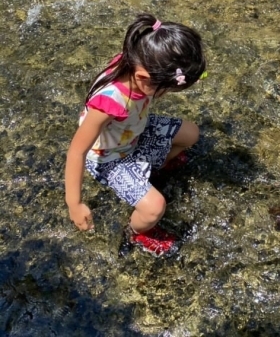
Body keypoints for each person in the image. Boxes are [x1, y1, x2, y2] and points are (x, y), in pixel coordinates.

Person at [65, 13, 206, 257]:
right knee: (154, 208)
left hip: (132, 132)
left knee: (191, 133)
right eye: (168, 90)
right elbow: (77, 151)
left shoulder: (139, 61)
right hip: (109, 158)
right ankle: (136, 232)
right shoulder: (109, 103)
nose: (167, 94)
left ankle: (154, 168)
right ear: (144, 79)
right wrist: (74, 204)